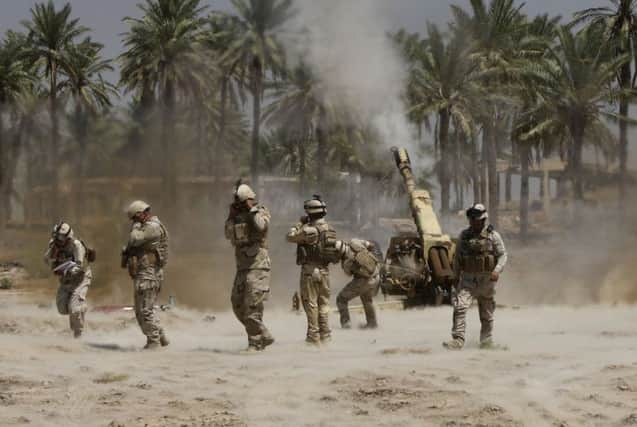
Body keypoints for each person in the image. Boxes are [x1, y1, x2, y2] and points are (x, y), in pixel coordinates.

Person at [443, 203, 508, 350]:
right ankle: (458, 340)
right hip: (468, 280)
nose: (473, 221)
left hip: (486, 280)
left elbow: (503, 254)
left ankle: (486, 341)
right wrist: (456, 275)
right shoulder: (464, 236)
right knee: (460, 307)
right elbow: (458, 257)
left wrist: (497, 270)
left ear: (483, 219)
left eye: (476, 219)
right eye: (471, 219)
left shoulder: (493, 236)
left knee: (487, 312)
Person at [224, 184, 274, 351]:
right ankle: (263, 334)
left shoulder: (261, 211)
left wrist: (250, 210)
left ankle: (254, 343)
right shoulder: (236, 217)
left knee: (252, 306)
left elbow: (261, 226)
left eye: (241, 201)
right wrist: (232, 217)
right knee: (237, 304)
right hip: (242, 267)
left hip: (259, 266)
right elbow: (227, 234)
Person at [286, 195, 339, 345]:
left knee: (311, 305)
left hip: (310, 271)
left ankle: (313, 338)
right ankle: (326, 337)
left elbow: (289, 237)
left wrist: (298, 224)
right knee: (324, 305)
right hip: (325, 272)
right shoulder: (330, 229)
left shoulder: (310, 230)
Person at [121, 200, 169, 350]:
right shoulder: (147, 227)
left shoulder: (152, 227)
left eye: (135, 218)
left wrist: (135, 226)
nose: (134, 222)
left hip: (149, 274)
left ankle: (153, 342)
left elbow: (134, 239)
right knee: (142, 309)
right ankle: (159, 336)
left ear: (142, 214)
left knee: (145, 310)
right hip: (145, 273)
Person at [44, 222, 93, 338]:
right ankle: (82, 308)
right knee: (62, 309)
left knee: (74, 309)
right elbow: (46, 258)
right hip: (66, 280)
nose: (57, 239)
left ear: (67, 237)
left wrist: (65, 270)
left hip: (81, 279)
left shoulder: (76, 245)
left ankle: (78, 335)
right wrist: (53, 263)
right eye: (56, 236)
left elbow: (79, 267)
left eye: (60, 237)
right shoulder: (54, 245)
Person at [335, 239, 381, 329]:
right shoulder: (355, 242)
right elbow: (371, 245)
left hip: (364, 281)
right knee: (366, 299)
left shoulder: (346, 263)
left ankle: (346, 324)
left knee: (341, 299)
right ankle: (372, 324)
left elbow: (348, 274)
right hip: (376, 275)